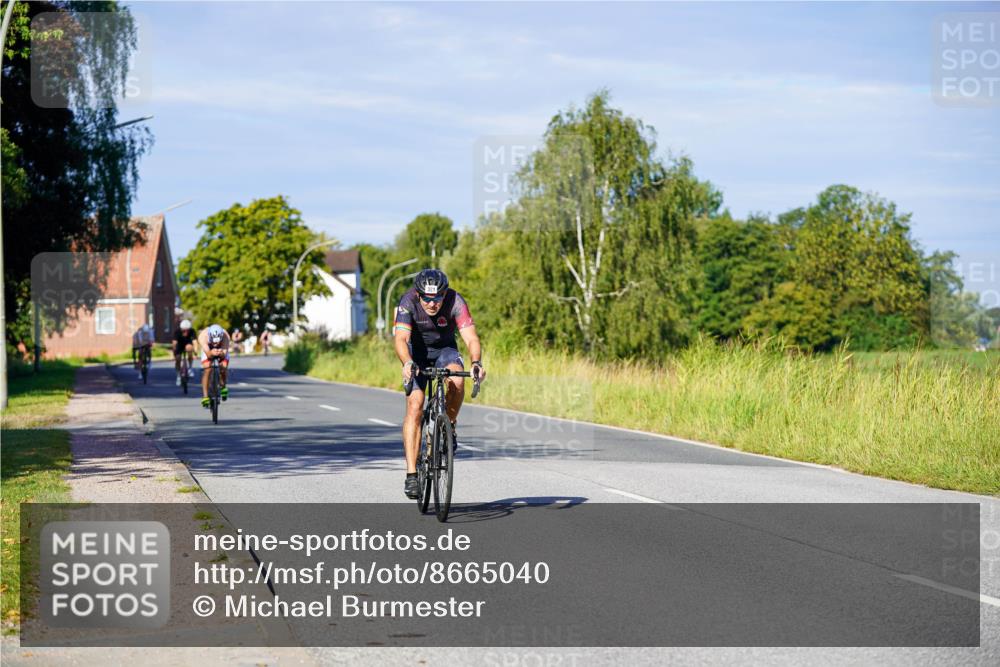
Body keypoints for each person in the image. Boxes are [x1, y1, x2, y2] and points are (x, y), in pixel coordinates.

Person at [393, 269, 485, 499]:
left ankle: (449, 425)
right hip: (417, 353)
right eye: (427, 298)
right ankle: (412, 474)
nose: (432, 304)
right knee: (416, 404)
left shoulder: (455, 301)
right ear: (419, 294)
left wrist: (476, 362)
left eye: (437, 298)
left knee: (456, 378)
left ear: (445, 294)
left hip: (445, 350)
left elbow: (471, 337)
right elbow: (401, 339)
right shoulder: (408, 301)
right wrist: (407, 362)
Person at [197, 324, 230, 408]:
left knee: (224, 366)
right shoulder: (203, 336)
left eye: (217, 341)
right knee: (207, 369)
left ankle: (223, 386)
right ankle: (205, 396)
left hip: (221, 349)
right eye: (214, 341)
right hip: (208, 349)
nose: (215, 343)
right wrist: (211, 353)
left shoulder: (226, 336)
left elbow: (224, 354)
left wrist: (221, 353)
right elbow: (208, 354)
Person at [172, 319, 197, 386]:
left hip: (188, 344)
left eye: (187, 330)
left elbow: (195, 342)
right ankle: (178, 376)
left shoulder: (192, 331)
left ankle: (190, 368)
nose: (186, 332)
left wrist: (195, 352)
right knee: (178, 359)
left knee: (189, 348)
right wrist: (174, 352)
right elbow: (174, 343)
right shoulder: (177, 332)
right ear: (181, 329)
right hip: (179, 345)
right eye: (184, 330)